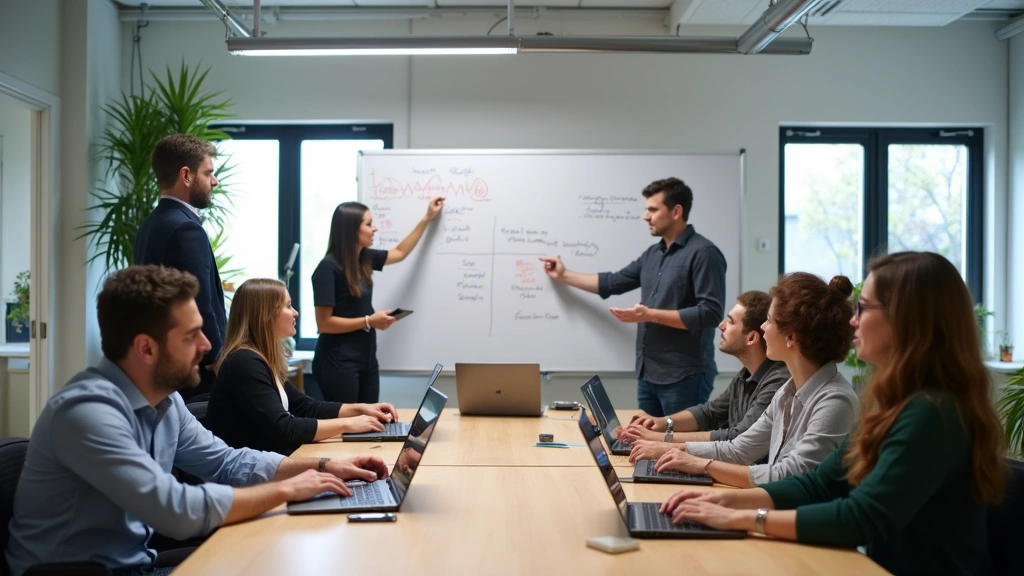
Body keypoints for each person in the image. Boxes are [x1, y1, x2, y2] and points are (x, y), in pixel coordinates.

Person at [4, 266, 389, 576]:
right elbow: (173, 508)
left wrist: (324, 467)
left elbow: (228, 462)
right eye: (192, 336)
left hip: (137, 563)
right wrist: (288, 490)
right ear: (146, 348)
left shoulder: (165, 401)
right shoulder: (88, 413)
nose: (207, 346)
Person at [661, 252, 1008, 576]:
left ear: (905, 319)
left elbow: (862, 516)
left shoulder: (934, 412)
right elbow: (820, 483)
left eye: (864, 307)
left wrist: (743, 517)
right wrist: (723, 499)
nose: (853, 320)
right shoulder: (896, 403)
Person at [651, 273, 858, 488]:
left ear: (791, 337)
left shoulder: (835, 401)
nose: (763, 328)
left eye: (768, 321)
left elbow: (788, 476)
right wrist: (673, 451)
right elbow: (739, 450)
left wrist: (702, 465)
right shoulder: (788, 390)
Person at [539, 177, 726, 416]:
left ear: (676, 211)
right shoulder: (652, 254)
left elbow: (710, 313)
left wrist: (650, 315)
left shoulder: (704, 253)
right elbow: (613, 282)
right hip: (648, 376)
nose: (645, 216)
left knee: (676, 449)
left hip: (684, 377)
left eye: (653, 209)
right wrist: (564, 275)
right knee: (646, 447)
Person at [206, 278, 401, 455]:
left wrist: (362, 409)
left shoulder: (259, 357)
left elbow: (306, 407)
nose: (295, 312)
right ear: (266, 315)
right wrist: (349, 424)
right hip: (248, 478)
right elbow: (285, 428)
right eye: (288, 306)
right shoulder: (244, 362)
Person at [618, 291, 790, 463]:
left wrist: (661, 439)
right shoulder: (745, 374)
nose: (721, 325)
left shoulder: (776, 381)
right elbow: (709, 413)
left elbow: (738, 437)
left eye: (730, 321)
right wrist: (662, 422)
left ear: (752, 338)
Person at [312, 198, 444, 403]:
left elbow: (399, 253)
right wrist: (368, 321)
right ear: (350, 230)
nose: (375, 228)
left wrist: (427, 217)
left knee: (371, 422)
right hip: (338, 361)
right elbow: (324, 323)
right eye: (368, 223)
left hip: (366, 358)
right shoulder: (327, 268)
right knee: (349, 427)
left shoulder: (363, 258)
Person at [135, 134, 226, 400]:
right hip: (194, 370)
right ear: (186, 175)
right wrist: (214, 357)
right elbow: (199, 301)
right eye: (208, 173)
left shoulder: (151, 225)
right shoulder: (186, 228)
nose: (214, 181)